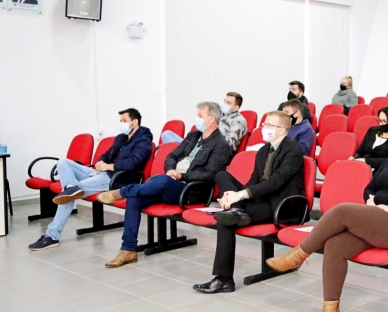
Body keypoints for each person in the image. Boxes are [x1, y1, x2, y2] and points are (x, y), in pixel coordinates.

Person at [264, 117, 388, 312]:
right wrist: (374, 200)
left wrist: (381, 200)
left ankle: (298, 254)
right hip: (381, 221)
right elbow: (369, 189)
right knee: (335, 244)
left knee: (342, 210)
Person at [99, 102, 232, 268]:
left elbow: (210, 175)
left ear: (211, 119)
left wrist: (181, 175)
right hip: (171, 182)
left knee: (160, 181)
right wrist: (171, 170)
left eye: (200, 116)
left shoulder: (221, 145)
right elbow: (172, 155)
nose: (196, 119)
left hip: (190, 190)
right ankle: (128, 250)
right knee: (135, 199)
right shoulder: (193, 136)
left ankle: (123, 191)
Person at [193, 111, 305, 294]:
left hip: (281, 205)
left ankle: (223, 280)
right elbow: (254, 181)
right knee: (222, 176)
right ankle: (237, 211)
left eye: (269, 125)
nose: (264, 128)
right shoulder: (263, 150)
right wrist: (232, 196)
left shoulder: (293, 150)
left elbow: (276, 182)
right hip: (261, 200)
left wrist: (241, 196)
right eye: (264, 124)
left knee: (225, 220)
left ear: (282, 129)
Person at [28, 109, 153, 251]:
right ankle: (71, 186)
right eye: (120, 121)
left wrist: (108, 166)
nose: (121, 124)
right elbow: (106, 154)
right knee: (63, 163)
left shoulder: (144, 140)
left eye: (124, 121)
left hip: (116, 179)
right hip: (100, 173)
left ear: (134, 122)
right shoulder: (121, 138)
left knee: (67, 196)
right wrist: (100, 163)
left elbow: (133, 163)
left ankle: (52, 236)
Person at [161, 92, 247, 154]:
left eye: (228, 103)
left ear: (236, 107)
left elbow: (230, 143)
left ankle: (181, 155)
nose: (224, 104)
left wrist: (209, 141)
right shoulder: (219, 114)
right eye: (224, 101)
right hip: (199, 143)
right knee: (167, 134)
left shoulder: (238, 120)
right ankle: (181, 154)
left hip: (211, 149)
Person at [349, 106, 388, 171]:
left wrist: (366, 161)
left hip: (381, 170)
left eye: (384, 121)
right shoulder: (372, 131)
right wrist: (354, 158)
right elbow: (360, 151)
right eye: (379, 120)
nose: (381, 124)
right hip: (362, 168)